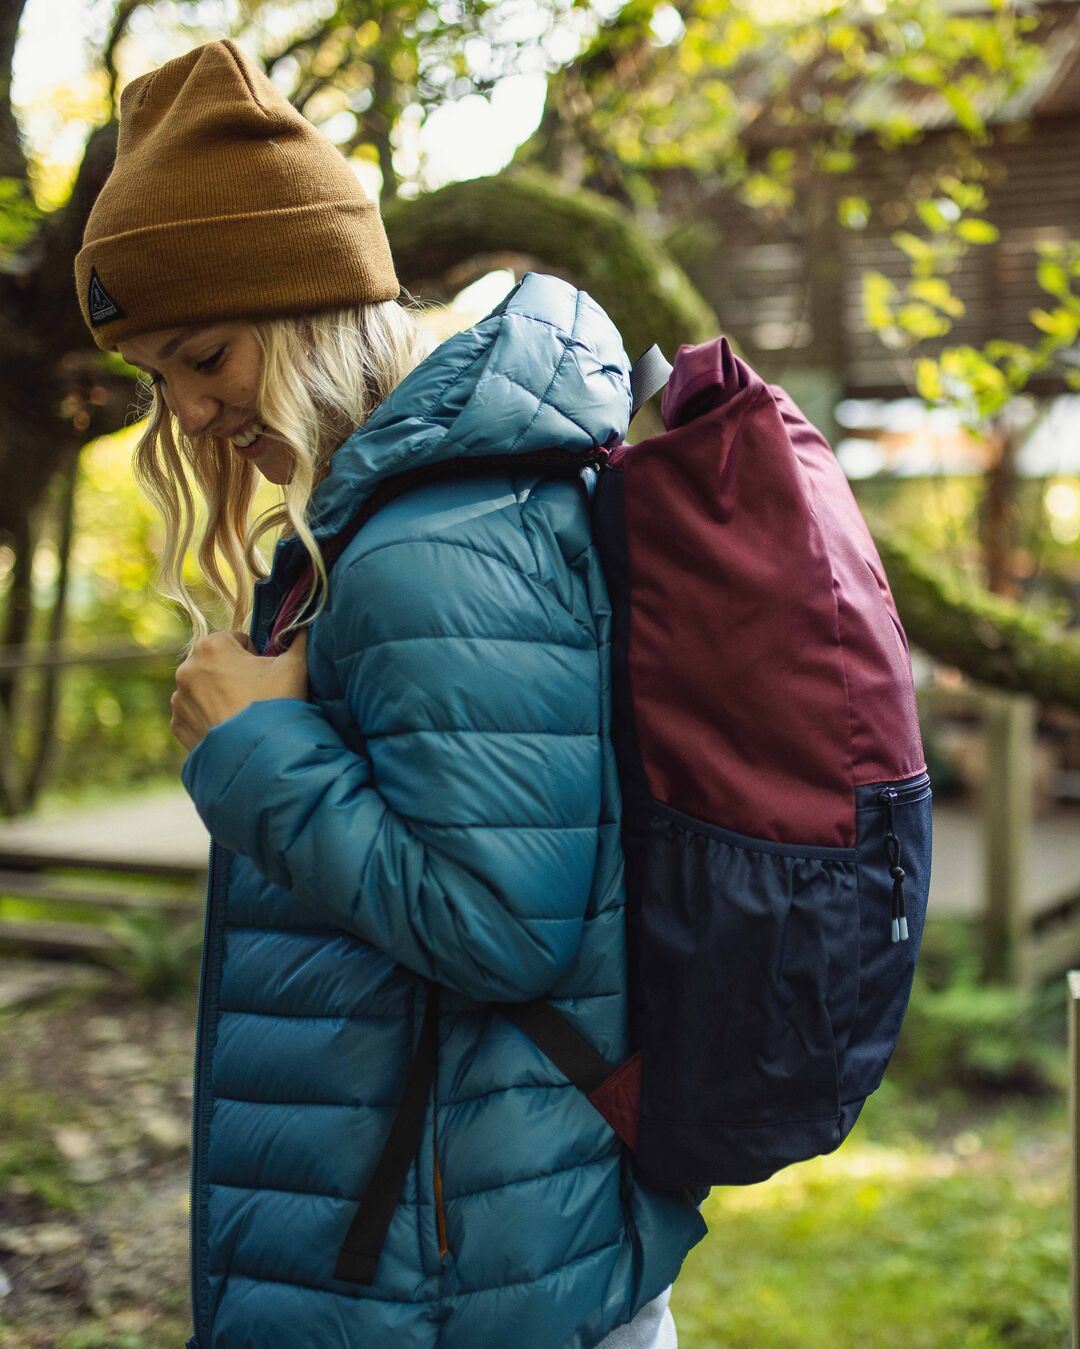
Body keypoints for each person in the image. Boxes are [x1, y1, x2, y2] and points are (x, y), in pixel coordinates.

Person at [73, 38, 705, 1349]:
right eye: (159, 381)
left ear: (309, 305)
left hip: (452, 1282)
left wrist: (256, 751)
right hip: (450, 1244)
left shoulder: (433, 545)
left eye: (205, 356)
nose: (187, 415)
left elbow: (500, 923)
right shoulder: (395, 521)